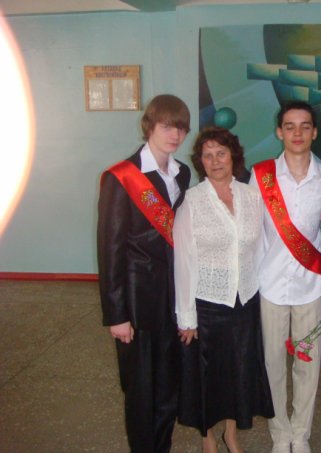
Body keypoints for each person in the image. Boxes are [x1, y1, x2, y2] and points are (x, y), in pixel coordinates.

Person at [97, 94, 191, 452]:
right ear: (149, 126)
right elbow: (110, 250)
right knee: (139, 389)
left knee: (168, 385)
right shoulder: (121, 177)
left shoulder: (182, 172)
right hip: (137, 302)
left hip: (172, 299)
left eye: (181, 128)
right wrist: (116, 314)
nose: (175, 135)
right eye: (167, 126)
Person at [173, 127, 274, 452]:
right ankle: (208, 438)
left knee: (239, 371)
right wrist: (186, 317)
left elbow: (259, 249)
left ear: (233, 157)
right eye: (208, 155)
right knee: (207, 376)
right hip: (207, 303)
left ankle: (232, 433)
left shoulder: (251, 196)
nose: (215, 161)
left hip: (244, 301)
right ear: (200, 161)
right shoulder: (192, 201)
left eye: (221, 153)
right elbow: (183, 260)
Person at [249, 101, 321, 453]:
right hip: (269, 285)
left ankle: (301, 435)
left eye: (305, 126)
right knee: (272, 364)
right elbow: (251, 231)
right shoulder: (261, 175)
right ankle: (280, 434)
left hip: (310, 286)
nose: (297, 133)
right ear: (279, 132)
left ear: (314, 132)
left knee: (307, 364)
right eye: (290, 126)